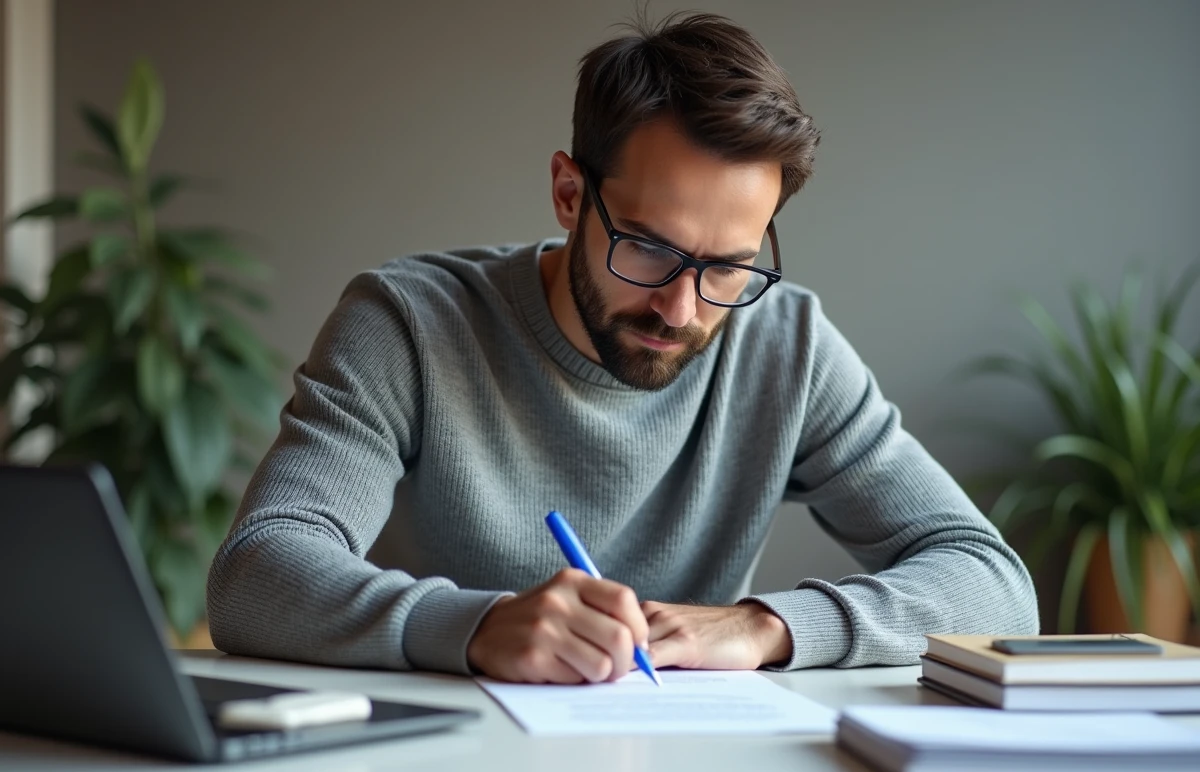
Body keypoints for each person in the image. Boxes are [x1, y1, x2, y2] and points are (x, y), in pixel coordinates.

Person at [207, 11, 1038, 684]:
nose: (682, 307)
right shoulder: (409, 325)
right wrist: (479, 626)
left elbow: (992, 584)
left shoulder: (786, 349)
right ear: (571, 194)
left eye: (728, 266)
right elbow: (256, 573)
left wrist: (770, 626)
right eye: (647, 247)